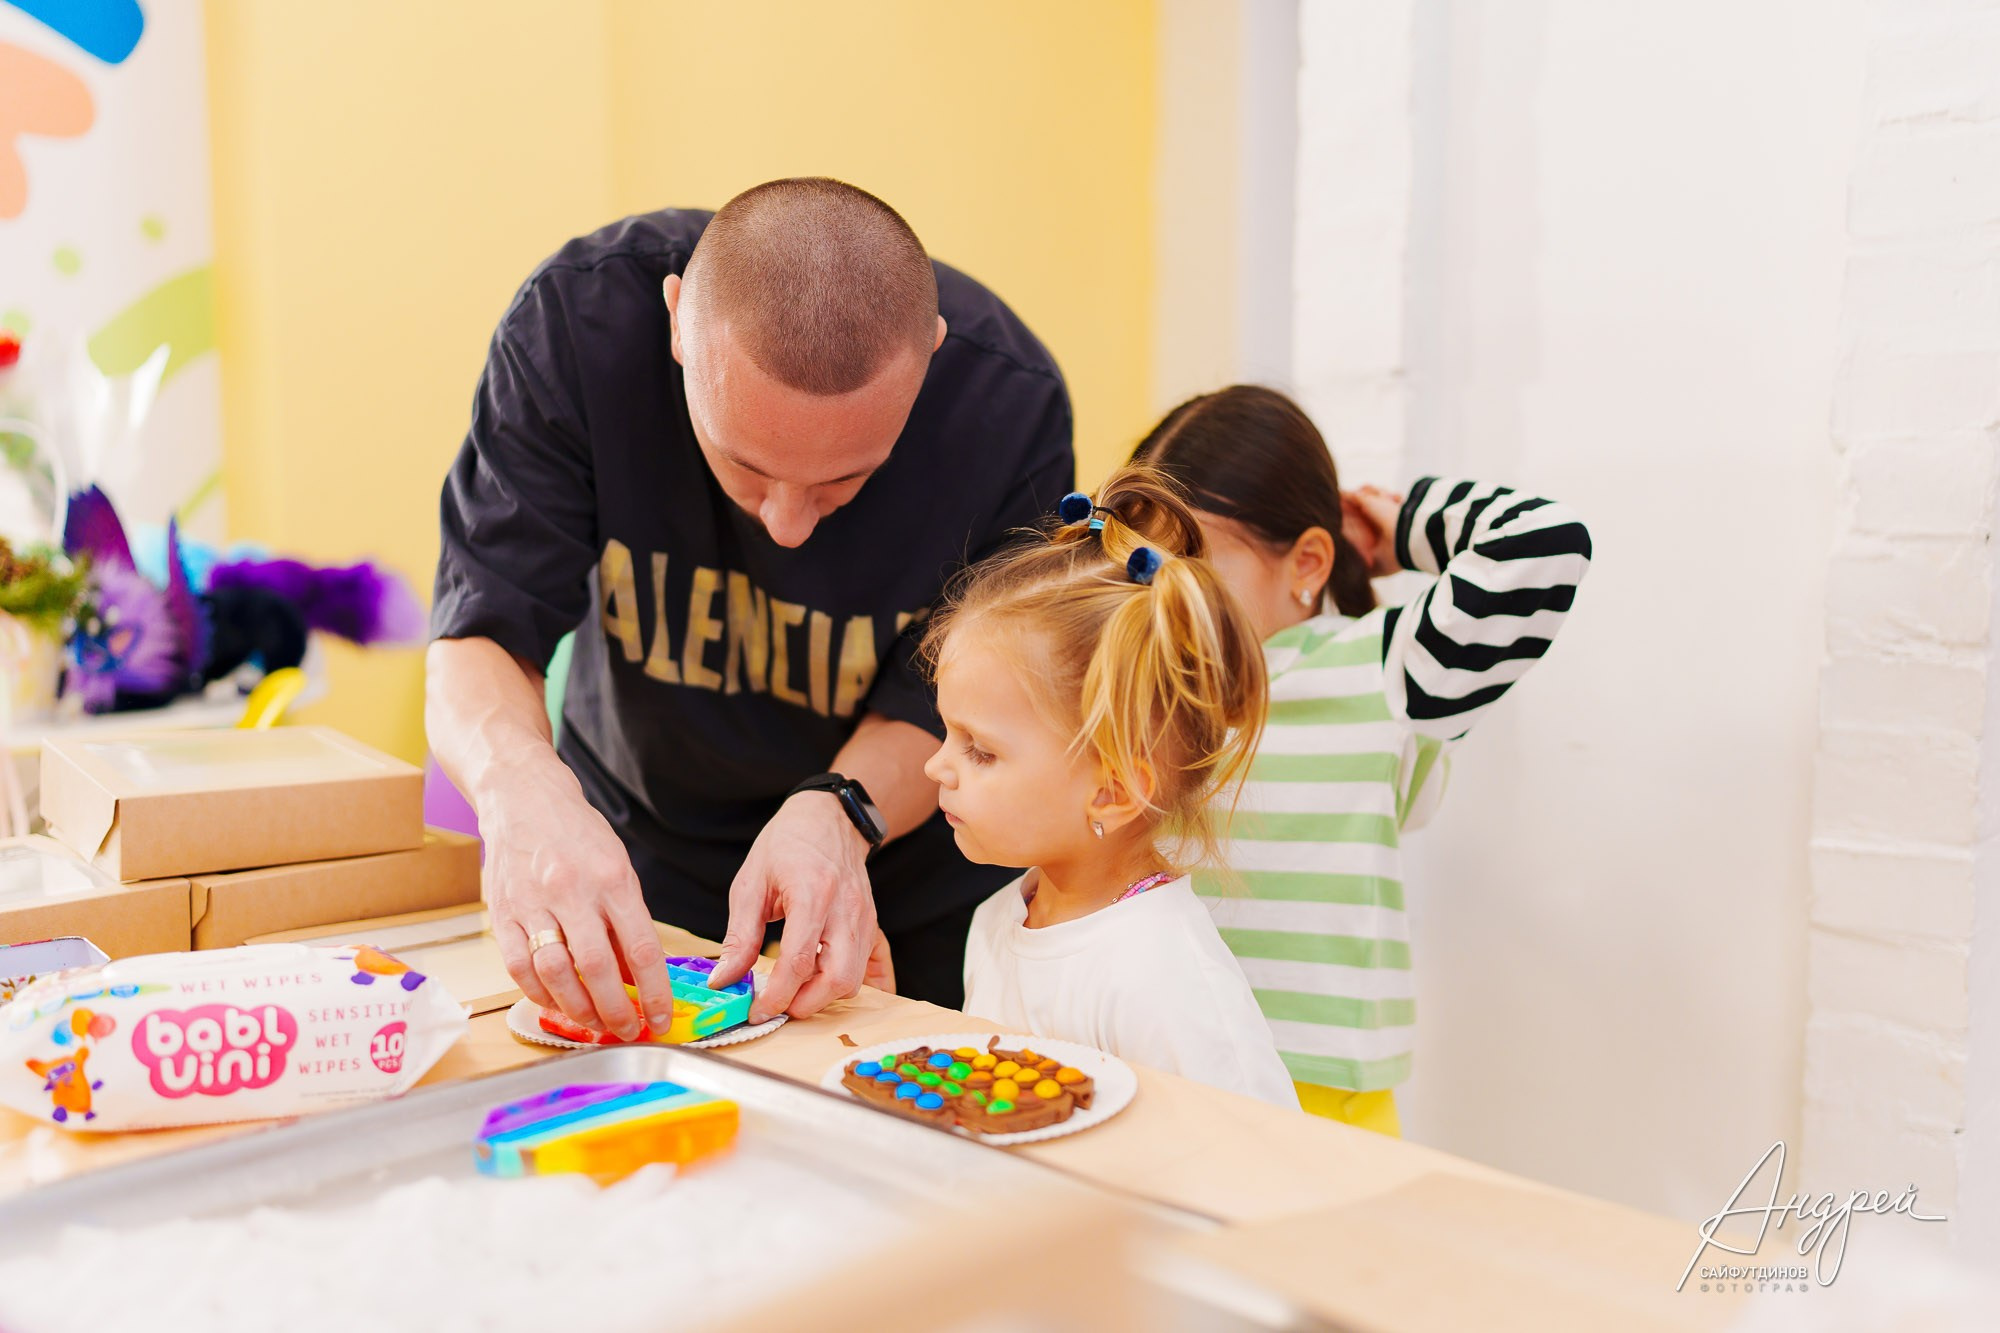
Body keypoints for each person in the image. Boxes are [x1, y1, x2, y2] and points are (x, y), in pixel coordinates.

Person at [427, 179, 1073, 1038]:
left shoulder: (1008, 407)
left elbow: (966, 698)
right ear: (675, 325)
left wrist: (843, 810)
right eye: (744, 465)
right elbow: (481, 623)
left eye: (844, 478)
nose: (787, 525)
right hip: (638, 858)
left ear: (931, 358)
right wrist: (521, 796)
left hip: (901, 888)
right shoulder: (576, 328)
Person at [1133, 385, 1592, 1134]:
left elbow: (1545, 544)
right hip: (1170, 1064)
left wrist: (1401, 526)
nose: (1163, 595)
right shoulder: (1143, 684)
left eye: (1197, 562)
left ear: (1307, 562)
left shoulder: (1381, 666)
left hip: (1320, 1089)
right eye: (1149, 565)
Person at [924, 467, 1297, 1108]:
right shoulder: (998, 921)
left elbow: (1255, 1167)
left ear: (1113, 791)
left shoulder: (1162, 977)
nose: (937, 767)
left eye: (980, 750)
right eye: (948, 734)